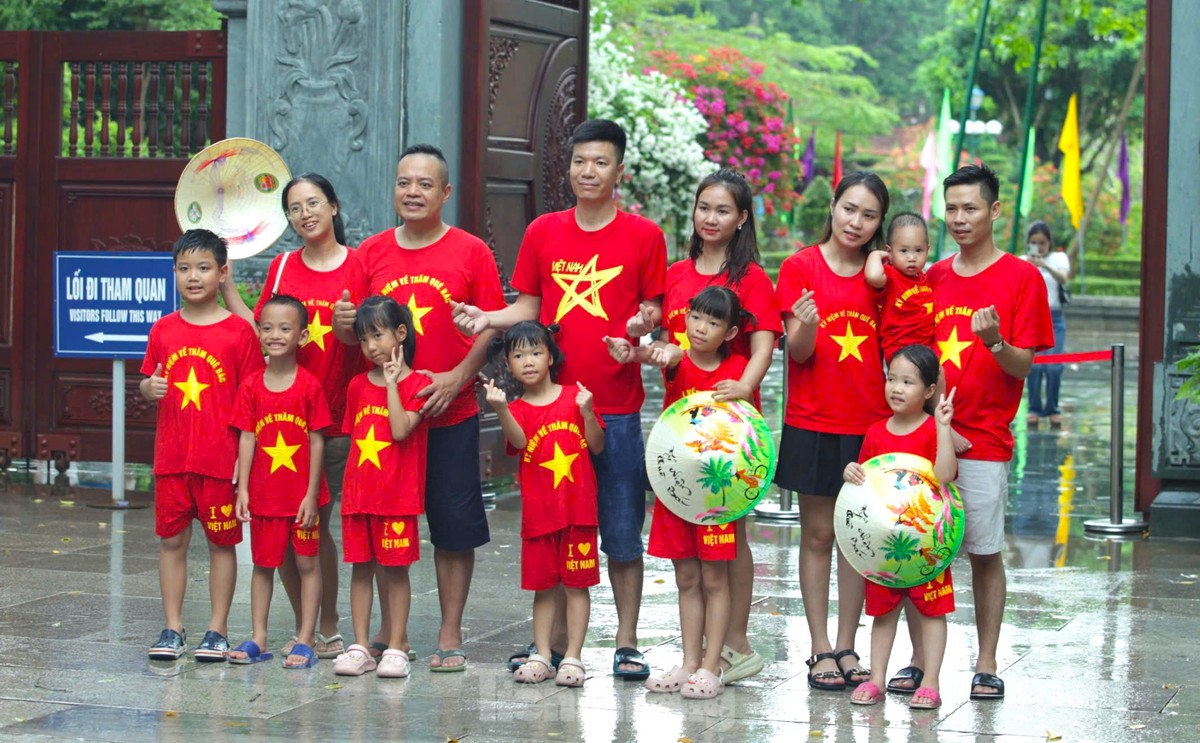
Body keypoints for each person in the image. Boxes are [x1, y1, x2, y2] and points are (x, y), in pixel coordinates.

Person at [453, 119, 667, 680]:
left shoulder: (643, 235)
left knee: (620, 531)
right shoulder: (544, 231)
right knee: (551, 530)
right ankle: (549, 645)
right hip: (547, 413)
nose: (588, 172)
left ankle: (625, 641)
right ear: (567, 168)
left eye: (600, 162)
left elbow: (656, 313)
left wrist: (645, 324)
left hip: (611, 410)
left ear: (620, 171)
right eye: (579, 162)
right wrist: (487, 317)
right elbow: (528, 307)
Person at [348, 144, 506, 671]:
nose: (412, 192)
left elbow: (490, 326)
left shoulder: (471, 252)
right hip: (388, 423)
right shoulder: (370, 253)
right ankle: (389, 633)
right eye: (403, 183)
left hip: (450, 414)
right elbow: (360, 330)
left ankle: (449, 631)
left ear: (445, 193)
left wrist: (459, 377)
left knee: (451, 526)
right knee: (381, 526)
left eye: (424, 184)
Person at [220, 172, 367, 660]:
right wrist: (228, 288)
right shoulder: (282, 267)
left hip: (337, 421)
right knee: (277, 531)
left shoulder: (359, 266)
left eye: (313, 203)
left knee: (314, 523)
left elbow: (377, 334)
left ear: (334, 207)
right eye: (295, 208)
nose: (305, 214)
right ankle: (305, 625)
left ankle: (325, 626)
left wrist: (351, 330)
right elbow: (258, 327)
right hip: (278, 427)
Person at [927, 164, 1053, 700]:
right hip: (929, 438)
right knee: (923, 549)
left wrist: (997, 341)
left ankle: (986, 660)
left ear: (995, 210)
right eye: (951, 208)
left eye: (970, 208)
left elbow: (1024, 366)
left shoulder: (1022, 278)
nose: (959, 218)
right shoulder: (932, 275)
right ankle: (920, 660)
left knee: (982, 551)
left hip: (985, 440)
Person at [656, 169, 781, 684]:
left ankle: (733, 643)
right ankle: (700, 654)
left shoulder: (750, 277)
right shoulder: (675, 272)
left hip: (727, 430)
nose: (711, 218)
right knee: (691, 548)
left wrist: (743, 391)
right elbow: (667, 340)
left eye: (723, 210)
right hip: (680, 431)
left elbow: (764, 342)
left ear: (742, 218)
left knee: (730, 538)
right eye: (704, 207)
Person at [774, 171, 890, 692]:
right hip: (813, 421)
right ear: (833, 207)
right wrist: (805, 324)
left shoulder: (882, 276)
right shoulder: (799, 266)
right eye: (849, 209)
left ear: (879, 223)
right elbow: (797, 354)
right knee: (819, 535)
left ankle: (848, 645)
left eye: (868, 215)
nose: (856, 222)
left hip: (869, 427)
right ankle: (819, 646)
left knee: (856, 540)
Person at [610, 286, 750, 699]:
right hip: (676, 490)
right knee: (686, 576)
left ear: (729, 333)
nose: (701, 328)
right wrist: (633, 349)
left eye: (713, 322)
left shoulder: (738, 370)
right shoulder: (677, 358)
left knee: (714, 577)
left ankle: (711, 666)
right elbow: (659, 354)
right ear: (684, 319)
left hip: (718, 494)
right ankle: (689, 660)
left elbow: (749, 433)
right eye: (695, 318)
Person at [141, 229, 265, 661]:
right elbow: (148, 379)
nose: (193, 277)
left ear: (222, 272)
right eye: (184, 269)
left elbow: (251, 403)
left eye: (204, 268)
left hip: (220, 461)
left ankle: (217, 629)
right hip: (172, 459)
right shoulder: (163, 330)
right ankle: (172, 627)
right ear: (174, 273)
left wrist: (243, 466)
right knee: (171, 543)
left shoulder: (239, 334)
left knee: (221, 543)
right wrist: (146, 387)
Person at [484, 322, 604, 687]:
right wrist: (501, 409)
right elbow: (519, 443)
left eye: (536, 352)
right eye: (519, 355)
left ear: (551, 356)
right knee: (543, 587)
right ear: (509, 364)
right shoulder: (517, 408)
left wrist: (587, 412)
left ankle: (573, 657)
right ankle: (541, 653)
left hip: (578, 511)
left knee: (577, 585)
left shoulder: (575, 396)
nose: (529, 361)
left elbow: (597, 445)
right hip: (539, 516)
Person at [843, 345, 957, 711]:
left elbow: (945, 476)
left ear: (928, 390)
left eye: (908, 381)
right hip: (885, 544)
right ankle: (877, 678)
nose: (896, 387)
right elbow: (865, 483)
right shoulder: (876, 432)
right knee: (883, 611)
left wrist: (944, 428)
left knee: (932, 611)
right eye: (892, 378)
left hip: (927, 543)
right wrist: (851, 473)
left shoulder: (931, 430)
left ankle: (932, 681)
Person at [228, 294, 332, 669]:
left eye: (285, 328)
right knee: (261, 565)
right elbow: (246, 436)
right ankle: (258, 636)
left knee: (307, 565)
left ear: (302, 336)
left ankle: (306, 637)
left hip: (300, 497)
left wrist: (310, 494)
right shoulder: (252, 385)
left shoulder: (309, 386)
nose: (275, 335)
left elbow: (318, 439)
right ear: (258, 332)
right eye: (267, 328)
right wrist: (242, 490)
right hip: (264, 497)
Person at [332, 296, 431, 678]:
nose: (371, 346)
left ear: (400, 333)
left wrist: (391, 384)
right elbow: (354, 442)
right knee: (360, 570)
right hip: (359, 498)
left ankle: (395, 645)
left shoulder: (419, 384)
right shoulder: (357, 385)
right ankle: (360, 645)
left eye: (378, 335)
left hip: (397, 499)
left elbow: (401, 429)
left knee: (395, 572)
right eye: (363, 339)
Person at [865, 211, 935, 362]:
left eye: (918, 250)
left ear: (927, 250)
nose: (911, 258)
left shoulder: (924, 278)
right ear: (890, 251)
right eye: (903, 251)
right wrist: (875, 255)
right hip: (899, 350)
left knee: (938, 377)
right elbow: (872, 276)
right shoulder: (891, 276)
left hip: (926, 349)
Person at [1023, 220, 1071, 428]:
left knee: (1054, 367)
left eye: (1042, 242)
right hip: (1032, 319)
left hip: (1055, 318)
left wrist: (1046, 265)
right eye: (1034, 242)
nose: (1039, 246)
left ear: (1049, 242)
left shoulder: (1058, 259)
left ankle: (1053, 408)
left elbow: (1063, 278)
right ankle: (1034, 408)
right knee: (1033, 367)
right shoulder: (1022, 262)